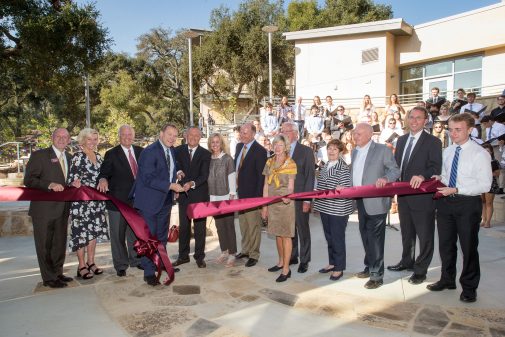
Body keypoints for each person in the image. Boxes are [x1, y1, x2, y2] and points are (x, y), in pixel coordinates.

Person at [428, 113, 492, 303]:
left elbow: (485, 185)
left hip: (467, 204)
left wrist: (457, 188)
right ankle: (447, 280)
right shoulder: (447, 151)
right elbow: (447, 174)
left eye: (458, 129)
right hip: (446, 203)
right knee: (446, 245)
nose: (453, 133)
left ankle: (469, 288)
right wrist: (440, 179)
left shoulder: (480, 154)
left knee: (468, 248)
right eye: (451, 129)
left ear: (470, 130)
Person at [387, 107, 442, 285]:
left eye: (418, 118)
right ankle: (406, 261)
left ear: (425, 121)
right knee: (407, 232)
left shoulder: (433, 142)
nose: (414, 121)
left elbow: (435, 167)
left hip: (422, 197)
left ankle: (420, 270)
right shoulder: (401, 140)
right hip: (403, 195)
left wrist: (423, 176)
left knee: (425, 235)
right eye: (411, 117)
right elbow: (397, 167)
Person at [132, 124, 184, 286]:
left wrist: (177, 173)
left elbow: (166, 170)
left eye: (175, 136)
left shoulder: (171, 150)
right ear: (161, 134)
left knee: (162, 237)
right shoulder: (149, 152)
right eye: (169, 134)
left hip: (165, 201)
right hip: (149, 202)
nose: (172, 138)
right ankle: (148, 272)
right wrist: (171, 186)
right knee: (149, 239)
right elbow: (148, 178)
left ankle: (162, 264)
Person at [351, 123, 400, 289]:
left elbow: (394, 170)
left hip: (377, 202)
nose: (355, 136)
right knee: (365, 236)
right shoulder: (355, 151)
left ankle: (376, 276)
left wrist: (385, 179)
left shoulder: (383, 150)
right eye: (354, 133)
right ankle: (369, 265)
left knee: (375, 239)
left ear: (369, 135)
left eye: (358, 134)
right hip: (360, 201)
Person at [23, 128, 73, 288]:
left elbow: (68, 181)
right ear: (52, 138)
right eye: (58, 136)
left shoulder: (70, 158)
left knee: (59, 243)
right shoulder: (40, 156)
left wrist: (74, 184)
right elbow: (29, 180)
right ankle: (48, 277)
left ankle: (57, 273)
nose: (61, 139)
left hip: (63, 209)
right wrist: (49, 185)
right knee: (45, 245)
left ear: (69, 140)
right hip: (43, 210)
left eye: (65, 137)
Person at [97, 125, 143, 277]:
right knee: (117, 235)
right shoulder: (111, 154)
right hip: (117, 202)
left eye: (130, 134)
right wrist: (103, 179)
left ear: (134, 136)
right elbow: (104, 172)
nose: (127, 137)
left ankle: (136, 259)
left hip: (137, 201)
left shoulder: (141, 151)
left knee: (135, 233)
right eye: (124, 134)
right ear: (119, 136)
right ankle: (121, 265)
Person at [68, 128, 109, 280]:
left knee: (93, 234)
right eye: (89, 139)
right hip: (82, 203)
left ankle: (91, 262)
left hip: (96, 202)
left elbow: (103, 176)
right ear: (83, 140)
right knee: (81, 234)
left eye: (95, 139)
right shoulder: (78, 156)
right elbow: (71, 178)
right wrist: (75, 182)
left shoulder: (99, 157)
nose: (92, 142)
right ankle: (81, 266)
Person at [313, 139, 353, 281]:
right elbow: (321, 185)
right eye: (329, 148)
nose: (331, 151)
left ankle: (339, 267)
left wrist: (342, 188)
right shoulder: (326, 165)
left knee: (337, 238)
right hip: (325, 207)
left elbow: (346, 186)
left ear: (341, 152)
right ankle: (332, 262)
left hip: (338, 208)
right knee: (329, 237)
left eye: (335, 149)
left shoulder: (343, 167)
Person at [174, 127, 211, 269]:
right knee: (184, 227)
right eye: (191, 135)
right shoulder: (178, 150)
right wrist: (178, 171)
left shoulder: (205, 154)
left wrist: (192, 183)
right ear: (185, 135)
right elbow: (174, 165)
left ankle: (199, 257)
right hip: (183, 195)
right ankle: (183, 256)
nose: (193, 137)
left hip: (199, 194)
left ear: (200, 137)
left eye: (197, 135)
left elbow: (204, 175)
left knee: (200, 228)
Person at [281, 122, 315, 273]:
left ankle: (305, 260)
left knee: (303, 230)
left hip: (301, 198)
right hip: (284, 199)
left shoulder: (306, 151)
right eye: (283, 131)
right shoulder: (279, 151)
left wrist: (307, 200)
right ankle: (292, 255)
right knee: (289, 229)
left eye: (289, 131)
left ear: (296, 134)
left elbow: (310, 176)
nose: (286, 134)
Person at [262, 135, 297, 282]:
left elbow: (291, 187)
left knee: (286, 235)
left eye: (280, 145)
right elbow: (265, 185)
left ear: (286, 147)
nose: (277, 147)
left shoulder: (291, 163)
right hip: (272, 203)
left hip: (285, 204)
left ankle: (286, 269)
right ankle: (281, 262)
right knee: (277, 234)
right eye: (275, 144)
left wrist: (286, 196)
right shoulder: (269, 162)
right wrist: (264, 206)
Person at [235, 123, 268, 267]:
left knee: (253, 226)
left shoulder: (260, 151)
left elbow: (261, 178)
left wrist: (258, 200)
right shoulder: (238, 147)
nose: (243, 135)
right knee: (243, 225)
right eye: (241, 132)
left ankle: (254, 254)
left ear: (254, 134)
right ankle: (246, 249)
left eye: (246, 133)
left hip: (252, 196)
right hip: (239, 195)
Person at [206, 133, 238, 266]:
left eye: (217, 142)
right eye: (212, 142)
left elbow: (231, 177)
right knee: (219, 226)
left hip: (226, 196)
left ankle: (232, 253)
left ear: (222, 143)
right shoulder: (208, 159)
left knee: (229, 225)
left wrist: (232, 194)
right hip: (213, 197)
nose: (215, 144)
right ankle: (224, 251)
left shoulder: (227, 159)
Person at [480, 143, 500, 228]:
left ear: (491, 152)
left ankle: (488, 221)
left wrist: (488, 172)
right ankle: (483, 220)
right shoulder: (479, 161)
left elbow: (497, 173)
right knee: (482, 202)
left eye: (487, 150)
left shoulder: (494, 162)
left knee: (489, 203)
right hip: (480, 183)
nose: (485, 152)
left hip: (491, 184)